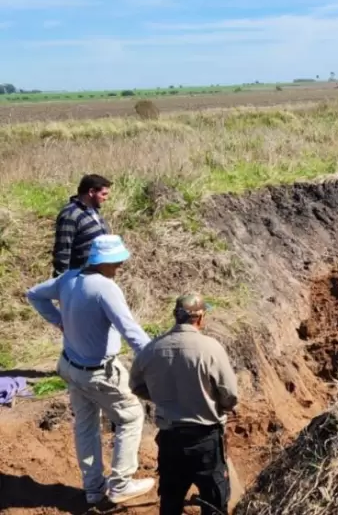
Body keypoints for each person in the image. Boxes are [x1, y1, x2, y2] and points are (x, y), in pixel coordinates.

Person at [26, 234, 155, 505]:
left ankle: (94, 489)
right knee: (131, 416)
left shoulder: (69, 278)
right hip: (98, 372)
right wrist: (158, 359)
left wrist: (59, 321)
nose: (119, 266)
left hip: (71, 367)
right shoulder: (105, 288)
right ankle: (120, 484)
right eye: (116, 262)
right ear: (103, 261)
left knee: (86, 425)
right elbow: (129, 329)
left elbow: (35, 294)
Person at [130, 293, 239, 515]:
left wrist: (163, 398)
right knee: (214, 500)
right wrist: (216, 403)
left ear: (175, 316)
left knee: (170, 500)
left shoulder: (151, 350)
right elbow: (229, 395)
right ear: (200, 318)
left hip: (170, 440)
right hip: (206, 440)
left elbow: (136, 386)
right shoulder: (211, 348)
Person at [53, 174, 113, 277]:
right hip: (79, 281)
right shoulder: (70, 215)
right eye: (103, 194)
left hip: (98, 278)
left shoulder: (93, 211)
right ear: (91, 192)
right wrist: (62, 283)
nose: (106, 198)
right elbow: (62, 252)